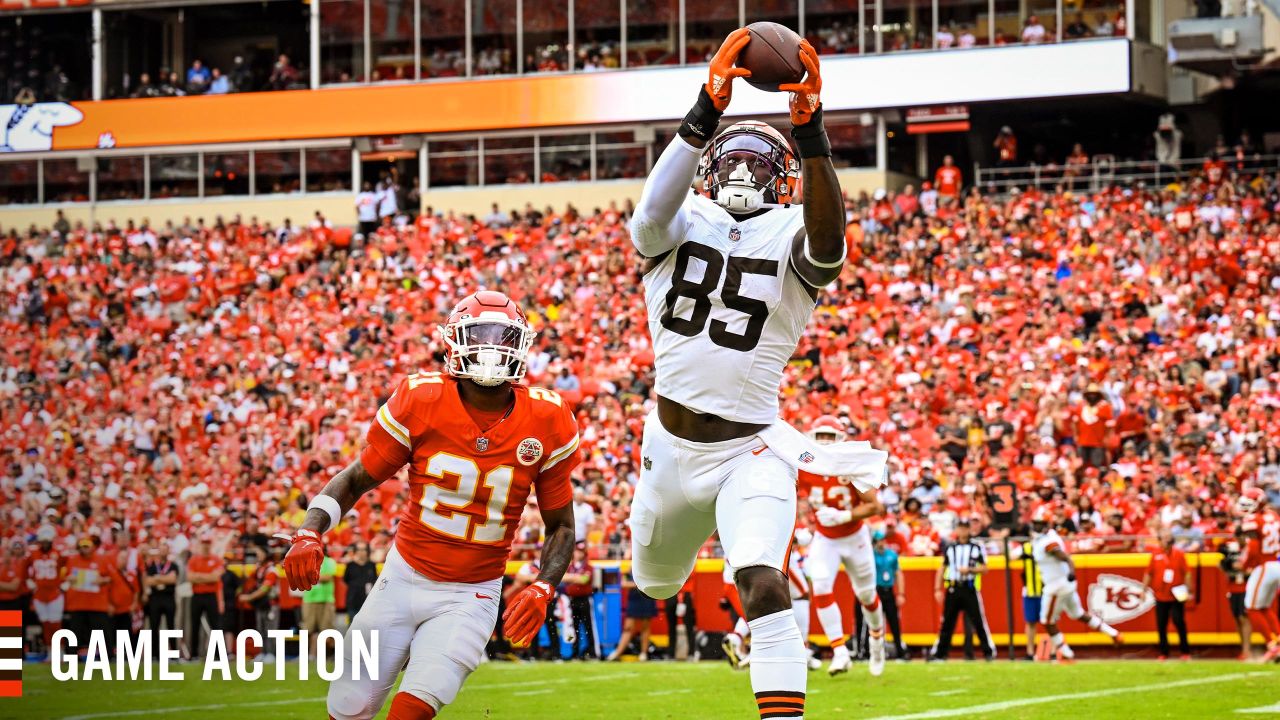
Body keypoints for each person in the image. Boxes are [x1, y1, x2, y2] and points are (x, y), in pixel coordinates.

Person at [628, 29, 886, 720]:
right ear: (711, 165)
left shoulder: (793, 230)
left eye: (759, 159)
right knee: (652, 585)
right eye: (732, 155)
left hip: (752, 448)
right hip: (669, 447)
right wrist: (704, 108)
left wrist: (812, 133)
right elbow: (650, 212)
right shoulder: (680, 221)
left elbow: (828, 247)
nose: (744, 167)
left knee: (762, 580)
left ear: (786, 176)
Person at [278, 290, 581, 720]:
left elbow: (562, 527)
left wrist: (544, 586)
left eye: (503, 336)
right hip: (402, 578)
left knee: (414, 708)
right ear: (453, 340)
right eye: (480, 334)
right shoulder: (421, 399)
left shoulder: (548, 418)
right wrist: (310, 529)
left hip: (470, 593)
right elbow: (356, 478)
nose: (492, 347)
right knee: (348, 707)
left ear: (522, 344)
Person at [797, 415, 888, 677]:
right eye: (820, 436)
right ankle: (839, 651)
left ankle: (877, 640)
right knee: (822, 585)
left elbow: (875, 506)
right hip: (825, 537)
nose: (825, 441)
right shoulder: (804, 465)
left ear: (840, 439)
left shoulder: (850, 465)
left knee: (867, 596)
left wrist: (844, 516)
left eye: (830, 436)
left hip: (854, 537)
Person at [1030, 506, 1122, 662]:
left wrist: (1072, 570)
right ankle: (1113, 633)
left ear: (1047, 524)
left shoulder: (1048, 541)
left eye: (1039, 523)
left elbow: (1064, 556)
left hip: (1056, 586)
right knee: (1077, 614)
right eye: (1035, 523)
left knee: (1046, 621)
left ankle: (1066, 654)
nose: (1036, 526)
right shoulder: (1046, 537)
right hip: (1064, 583)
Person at [929, 521, 993, 661]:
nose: (963, 531)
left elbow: (985, 568)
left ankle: (988, 652)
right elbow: (942, 568)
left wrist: (970, 570)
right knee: (947, 623)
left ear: (969, 529)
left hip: (969, 588)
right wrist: (937, 588)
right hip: (953, 588)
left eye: (965, 528)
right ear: (957, 529)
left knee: (978, 622)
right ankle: (940, 654)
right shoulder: (950, 547)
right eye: (960, 528)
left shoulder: (976, 547)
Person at [1236, 490, 1280, 661]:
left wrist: (1244, 564)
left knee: (1251, 607)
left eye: (1248, 503)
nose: (1245, 507)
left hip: (1265, 565)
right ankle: (1277, 641)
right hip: (1277, 561)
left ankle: (1271, 644)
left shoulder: (1253, 520)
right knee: (1263, 607)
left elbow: (1253, 546)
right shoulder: (1273, 516)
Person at [1141, 528, 1192, 661]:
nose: (1166, 541)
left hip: (1176, 593)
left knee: (1179, 621)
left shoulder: (1179, 554)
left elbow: (1187, 572)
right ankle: (1164, 652)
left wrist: (1188, 589)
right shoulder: (1155, 554)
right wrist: (1143, 590)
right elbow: (1148, 573)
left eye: (1168, 538)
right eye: (1164, 538)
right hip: (1160, 594)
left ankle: (1185, 651)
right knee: (1161, 624)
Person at [64, 535, 113, 653]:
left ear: (92, 547)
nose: (84, 549)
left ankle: (107, 655)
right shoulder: (72, 560)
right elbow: (66, 576)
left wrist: (101, 580)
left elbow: (110, 578)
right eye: (82, 547)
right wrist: (69, 578)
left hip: (97, 603)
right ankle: (71, 655)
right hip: (77, 602)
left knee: (101, 632)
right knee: (75, 631)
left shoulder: (102, 559)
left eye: (87, 546)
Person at [186, 536, 224, 661]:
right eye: (204, 543)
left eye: (208, 543)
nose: (206, 546)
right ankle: (194, 654)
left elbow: (215, 577)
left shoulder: (216, 559)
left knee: (215, 625)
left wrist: (199, 577)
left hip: (210, 596)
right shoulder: (194, 560)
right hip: (197, 595)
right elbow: (190, 577)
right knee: (194, 625)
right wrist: (208, 577)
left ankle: (218, 654)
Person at [28, 526, 64, 652]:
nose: (45, 544)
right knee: (46, 624)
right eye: (43, 541)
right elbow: (25, 568)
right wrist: (29, 580)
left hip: (54, 592)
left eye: (47, 541)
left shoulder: (58, 553)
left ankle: (59, 652)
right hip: (39, 594)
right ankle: (49, 651)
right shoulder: (32, 553)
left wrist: (63, 583)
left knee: (55, 624)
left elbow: (69, 566)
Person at [872, 530, 907, 661]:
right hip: (876, 590)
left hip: (889, 590)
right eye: (879, 540)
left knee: (894, 622)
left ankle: (900, 651)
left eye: (883, 540)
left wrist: (901, 593)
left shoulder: (892, 555)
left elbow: (898, 573)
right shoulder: (871, 555)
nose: (882, 543)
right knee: (876, 623)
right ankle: (876, 652)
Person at [606, 572, 653, 662]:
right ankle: (617, 653)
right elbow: (623, 584)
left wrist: (638, 584)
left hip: (647, 597)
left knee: (645, 626)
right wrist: (639, 584)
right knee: (628, 627)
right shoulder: (630, 568)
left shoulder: (649, 566)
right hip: (635, 598)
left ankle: (644, 653)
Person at [301, 549, 338, 658]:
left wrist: (310, 576)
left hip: (326, 599)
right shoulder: (305, 561)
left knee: (327, 630)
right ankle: (310, 655)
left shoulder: (329, 561)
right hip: (309, 599)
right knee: (308, 629)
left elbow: (327, 577)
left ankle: (335, 654)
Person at [562, 543, 597, 660]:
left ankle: (592, 652)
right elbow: (562, 577)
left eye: (581, 552)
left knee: (588, 627)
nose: (578, 554)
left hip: (584, 599)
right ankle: (575, 652)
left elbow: (584, 580)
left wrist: (571, 578)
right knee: (574, 627)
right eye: (577, 551)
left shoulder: (588, 567)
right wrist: (575, 577)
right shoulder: (571, 566)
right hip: (572, 600)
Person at [1017, 536, 1044, 661]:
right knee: (1030, 622)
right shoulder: (1026, 547)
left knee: (1050, 621)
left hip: (1046, 589)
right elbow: (1010, 555)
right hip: (1030, 589)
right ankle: (1030, 652)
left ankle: (1054, 651)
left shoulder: (1048, 546)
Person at [342, 542, 378, 623]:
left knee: (367, 628)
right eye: (359, 549)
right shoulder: (350, 566)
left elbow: (374, 580)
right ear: (355, 551)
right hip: (353, 601)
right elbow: (346, 580)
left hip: (368, 602)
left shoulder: (371, 565)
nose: (361, 552)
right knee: (352, 627)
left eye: (363, 549)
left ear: (367, 551)